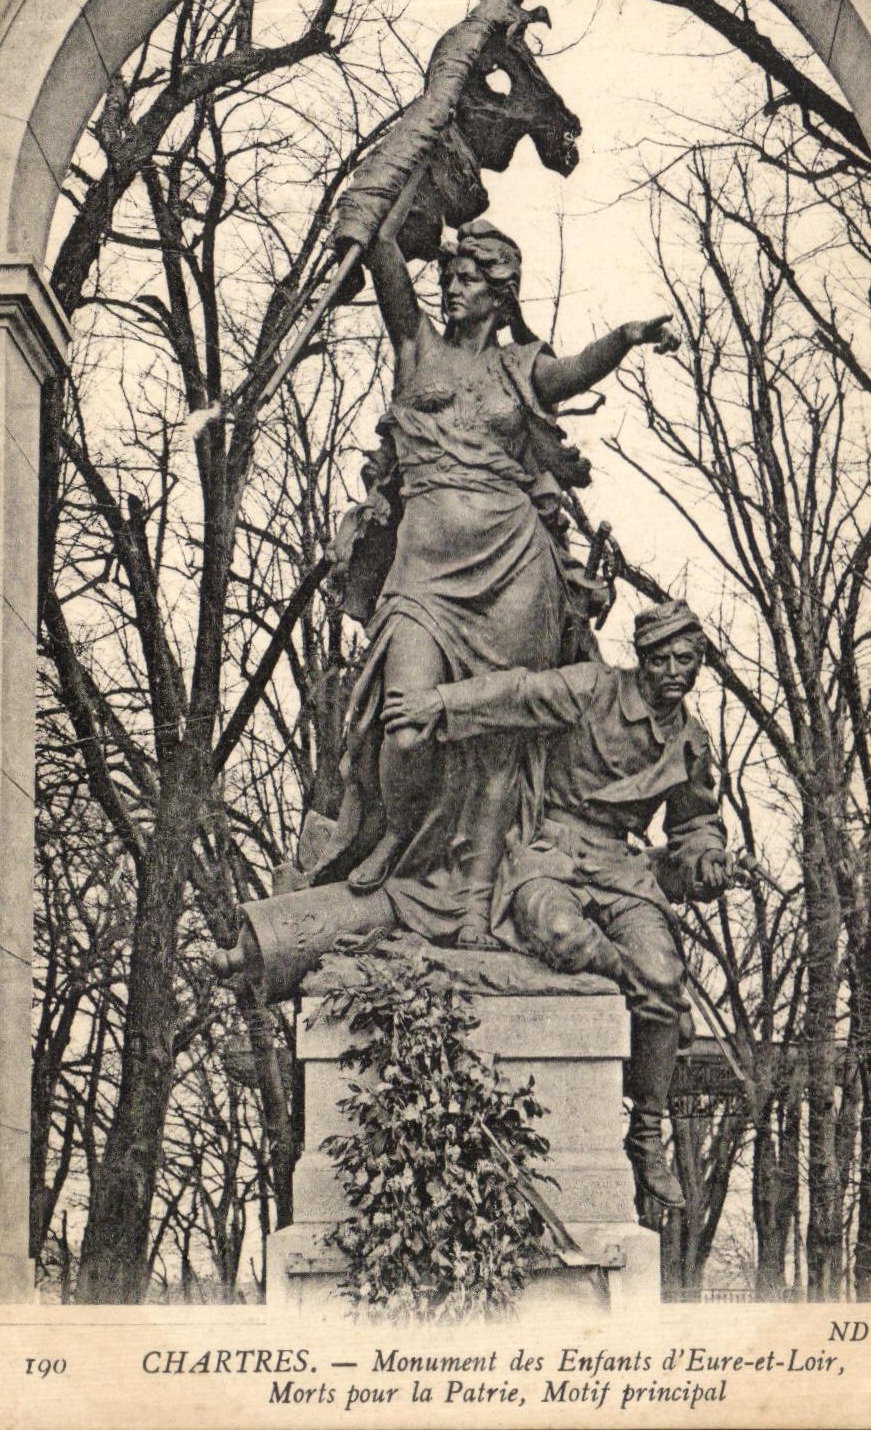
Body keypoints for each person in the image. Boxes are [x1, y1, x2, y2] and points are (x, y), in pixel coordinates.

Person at [313, 216, 677, 949]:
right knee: (405, 721)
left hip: (515, 566)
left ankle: (474, 906)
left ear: (500, 292)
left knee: (497, 746)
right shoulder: (415, 345)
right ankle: (397, 834)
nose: (453, 288)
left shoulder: (521, 368)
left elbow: (575, 370)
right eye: (450, 276)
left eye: (471, 278)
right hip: (422, 573)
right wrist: (401, 165)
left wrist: (629, 335)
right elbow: (381, 244)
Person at [382, 597, 738, 1213]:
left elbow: (695, 827)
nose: (676, 671)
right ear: (642, 660)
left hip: (622, 868)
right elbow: (518, 693)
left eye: (688, 659)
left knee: (665, 965)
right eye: (663, 659)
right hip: (550, 848)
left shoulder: (690, 743)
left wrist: (708, 861)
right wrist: (438, 702)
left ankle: (646, 1132)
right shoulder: (595, 689)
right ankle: (655, 1003)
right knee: (562, 933)